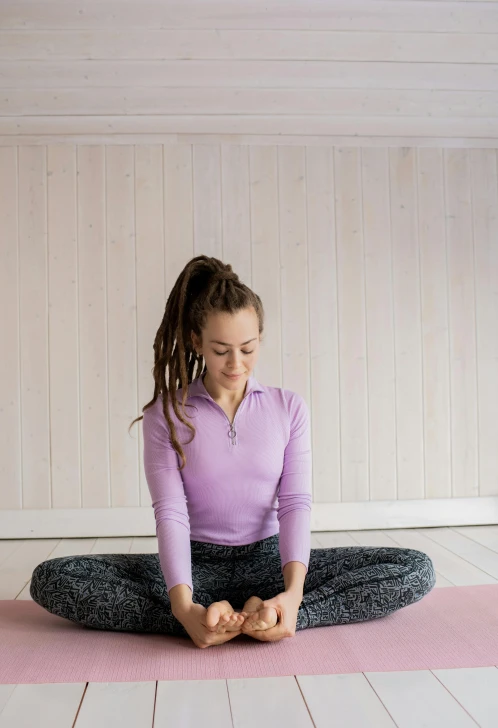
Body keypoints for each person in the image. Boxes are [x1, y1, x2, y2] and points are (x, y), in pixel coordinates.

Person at [30, 255, 436, 649]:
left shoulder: (288, 407)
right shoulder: (166, 414)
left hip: (270, 563)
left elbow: (295, 502)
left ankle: (278, 614)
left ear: (261, 337)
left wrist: (294, 595)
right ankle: (207, 617)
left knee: (415, 568)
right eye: (221, 349)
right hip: (197, 567)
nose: (236, 363)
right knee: (52, 578)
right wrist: (183, 604)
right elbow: (170, 512)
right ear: (196, 341)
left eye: (248, 347)